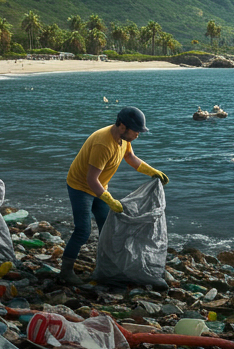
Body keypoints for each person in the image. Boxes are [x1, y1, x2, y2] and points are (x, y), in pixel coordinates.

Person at [61, 106, 168, 285]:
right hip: (81, 187)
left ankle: (108, 267)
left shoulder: (123, 139)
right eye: (136, 131)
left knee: (108, 228)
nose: (138, 135)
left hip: (98, 186)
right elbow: (91, 179)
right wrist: (109, 199)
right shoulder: (103, 144)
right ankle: (65, 272)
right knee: (83, 231)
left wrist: (152, 172)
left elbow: (130, 157)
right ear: (123, 126)